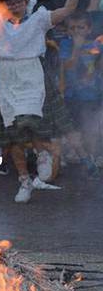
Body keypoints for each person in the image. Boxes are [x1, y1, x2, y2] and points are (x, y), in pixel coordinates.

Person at [0, 0, 84, 203]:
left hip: (31, 74)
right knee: (13, 136)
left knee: (31, 127)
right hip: (5, 77)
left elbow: (68, 9)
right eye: (9, 3)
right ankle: (24, 181)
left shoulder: (39, 19)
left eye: (18, 1)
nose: (14, 6)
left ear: (25, 1)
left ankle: (48, 151)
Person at [58, 10, 103, 174]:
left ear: (89, 29)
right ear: (68, 30)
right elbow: (68, 66)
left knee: (91, 128)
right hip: (72, 95)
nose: (77, 31)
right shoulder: (65, 45)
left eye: (81, 28)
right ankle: (82, 157)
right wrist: (76, 48)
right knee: (74, 129)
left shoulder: (97, 45)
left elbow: (99, 67)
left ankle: (91, 157)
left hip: (93, 94)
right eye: (73, 28)